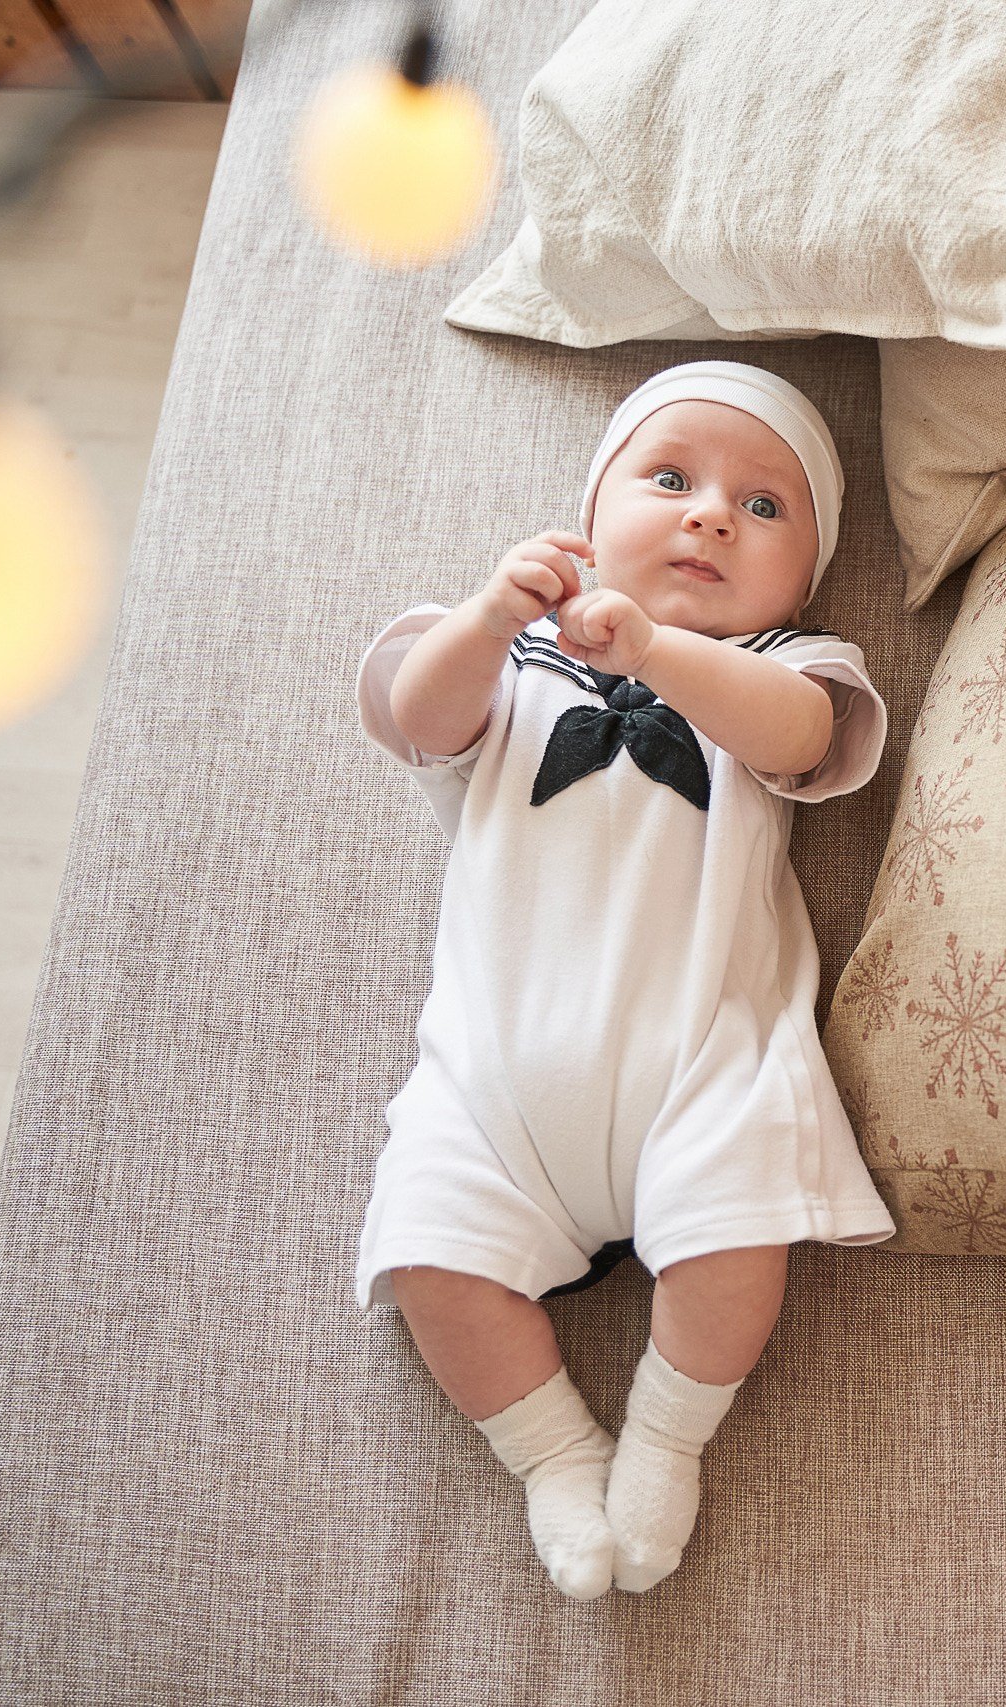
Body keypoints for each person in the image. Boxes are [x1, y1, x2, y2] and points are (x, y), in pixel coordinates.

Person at [351, 362, 893, 1598]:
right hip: (496, 1079)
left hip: (699, 1062)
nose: (710, 514)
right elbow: (417, 715)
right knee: (431, 1253)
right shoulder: (510, 664)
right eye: (671, 479)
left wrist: (656, 649)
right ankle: (550, 1452)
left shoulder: (781, 667)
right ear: (591, 521)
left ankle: (665, 1436)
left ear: (804, 578)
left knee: (745, 1234)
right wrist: (491, 618)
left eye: (765, 508)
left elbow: (802, 739)